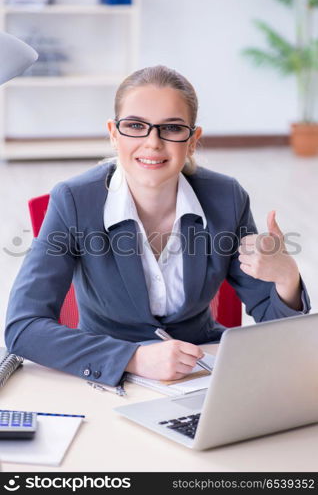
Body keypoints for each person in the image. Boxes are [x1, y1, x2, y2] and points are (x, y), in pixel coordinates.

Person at [5, 65, 311, 387]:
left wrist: (287, 278)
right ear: (113, 133)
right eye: (136, 126)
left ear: (192, 141)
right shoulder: (74, 201)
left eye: (172, 128)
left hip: (204, 373)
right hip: (108, 377)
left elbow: (278, 326)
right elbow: (23, 327)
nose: (153, 142)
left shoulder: (227, 198)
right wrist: (133, 358)